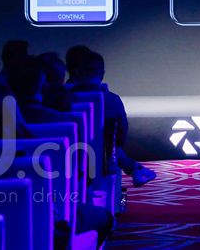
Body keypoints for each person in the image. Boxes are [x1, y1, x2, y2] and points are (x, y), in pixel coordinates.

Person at [65, 46, 156, 187]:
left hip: (65, 161)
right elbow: (121, 135)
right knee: (108, 143)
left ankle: (133, 167)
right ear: (102, 73)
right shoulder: (112, 100)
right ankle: (133, 168)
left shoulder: (58, 99)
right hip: (104, 160)